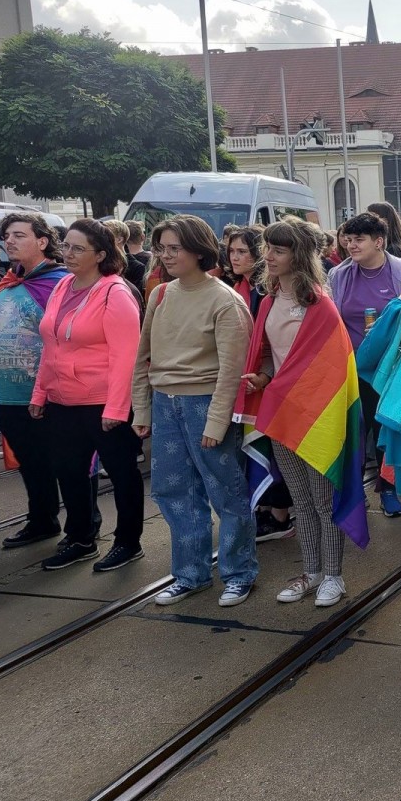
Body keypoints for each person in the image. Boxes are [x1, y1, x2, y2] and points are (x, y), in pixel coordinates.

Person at [132, 215, 258, 607]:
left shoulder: (225, 300)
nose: (166, 256)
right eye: (162, 248)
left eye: (175, 248)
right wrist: (141, 409)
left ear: (198, 251)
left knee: (226, 491)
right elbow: (143, 357)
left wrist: (217, 421)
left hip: (205, 403)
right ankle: (191, 573)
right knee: (173, 492)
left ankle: (239, 573)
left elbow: (232, 370)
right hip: (166, 402)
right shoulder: (160, 294)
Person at [239, 219, 365, 607]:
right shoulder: (270, 299)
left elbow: (333, 371)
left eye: (278, 250)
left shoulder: (320, 305)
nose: (268, 256)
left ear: (299, 254)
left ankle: (334, 576)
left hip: (317, 418)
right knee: (301, 501)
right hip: (282, 413)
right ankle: (311, 573)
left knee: (324, 502)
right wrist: (261, 377)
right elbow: (272, 359)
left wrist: (277, 382)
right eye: (267, 249)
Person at [30, 219, 144, 572]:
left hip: (103, 402)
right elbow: (51, 345)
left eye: (78, 248)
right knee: (69, 471)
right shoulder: (63, 285)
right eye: (67, 246)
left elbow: (127, 356)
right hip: (62, 401)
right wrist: (39, 393)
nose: (69, 254)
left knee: (122, 473)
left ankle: (128, 542)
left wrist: (116, 407)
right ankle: (80, 539)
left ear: (101, 254)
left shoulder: (116, 292)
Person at [328, 212, 401, 517]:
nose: (351, 245)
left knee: (382, 428)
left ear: (379, 242)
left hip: (388, 366)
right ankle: (352, 491)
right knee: (352, 429)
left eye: (359, 239)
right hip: (350, 366)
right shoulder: (339, 275)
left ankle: (388, 488)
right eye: (348, 239)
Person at [0, 214, 69, 549]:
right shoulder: (6, 281)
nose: (9, 241)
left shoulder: (58, 281)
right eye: (6, 235)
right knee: (31, 463)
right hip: (9, 393)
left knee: (66, 462)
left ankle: (84, 526)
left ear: (42, 241)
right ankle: (42, 520)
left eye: (19, 235)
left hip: (48, 392)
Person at [224, 225, 295, 542]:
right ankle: (265, 507)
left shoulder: (267, 293)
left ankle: (280, 513)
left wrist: (265, 374)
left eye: (242, 251)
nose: (234, 257)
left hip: (271, 380)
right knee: (254, 445)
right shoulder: (236, 287)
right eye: (231, 250)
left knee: (272, 446)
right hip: (247, 380)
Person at [102, 219, 147, 297]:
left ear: (119, 239)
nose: (102, 239)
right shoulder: (100, 262)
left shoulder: (137, 267)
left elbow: (135, 296)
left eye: (107, 236)